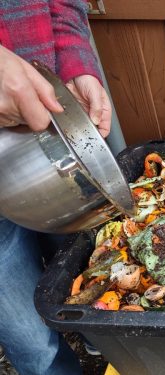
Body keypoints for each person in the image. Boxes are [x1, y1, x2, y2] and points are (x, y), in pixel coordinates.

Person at [0, 1, 112, 373]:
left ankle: (102, 341)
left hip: (52, 128)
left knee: (87, 263)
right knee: (31, 338)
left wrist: (76, 64)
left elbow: (61, 4)